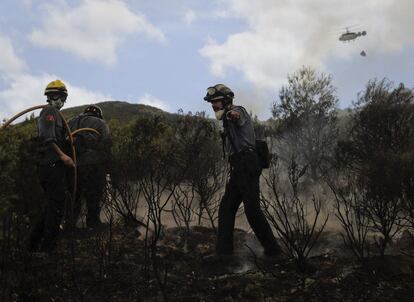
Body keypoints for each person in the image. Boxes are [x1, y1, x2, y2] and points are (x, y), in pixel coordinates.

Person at [204, 84, 282, 257]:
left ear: (226, 100)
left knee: (252, 210)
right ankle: (223, 254)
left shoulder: (238, 111)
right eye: (212, 102)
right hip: (239, 167)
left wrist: (232, 114)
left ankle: (274, 251)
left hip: (247, 164)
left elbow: (237, 116)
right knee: (227, 208)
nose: (213, 105)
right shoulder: (225, 120)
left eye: (216, 101)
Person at [27, 79, 74, 252]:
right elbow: (47, 137)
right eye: (59, 96)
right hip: (52, 164)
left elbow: (55, 136)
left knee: (50, 206)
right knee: (57, 205)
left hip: (50, 165)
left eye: (63, 97)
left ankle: (32, 245)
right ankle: (48, 248)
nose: (61, 101)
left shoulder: (55, 114)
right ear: (51, 96)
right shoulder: (50, 111)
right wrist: (63, 156)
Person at [68, 104, 111, 228]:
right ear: (99, 114)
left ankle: (70, 224)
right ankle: (93, 223)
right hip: (93, 164)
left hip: (72, 165)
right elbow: (107, 142)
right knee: (93, 194)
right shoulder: (100, 123)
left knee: (74, 195)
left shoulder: (71, 122)